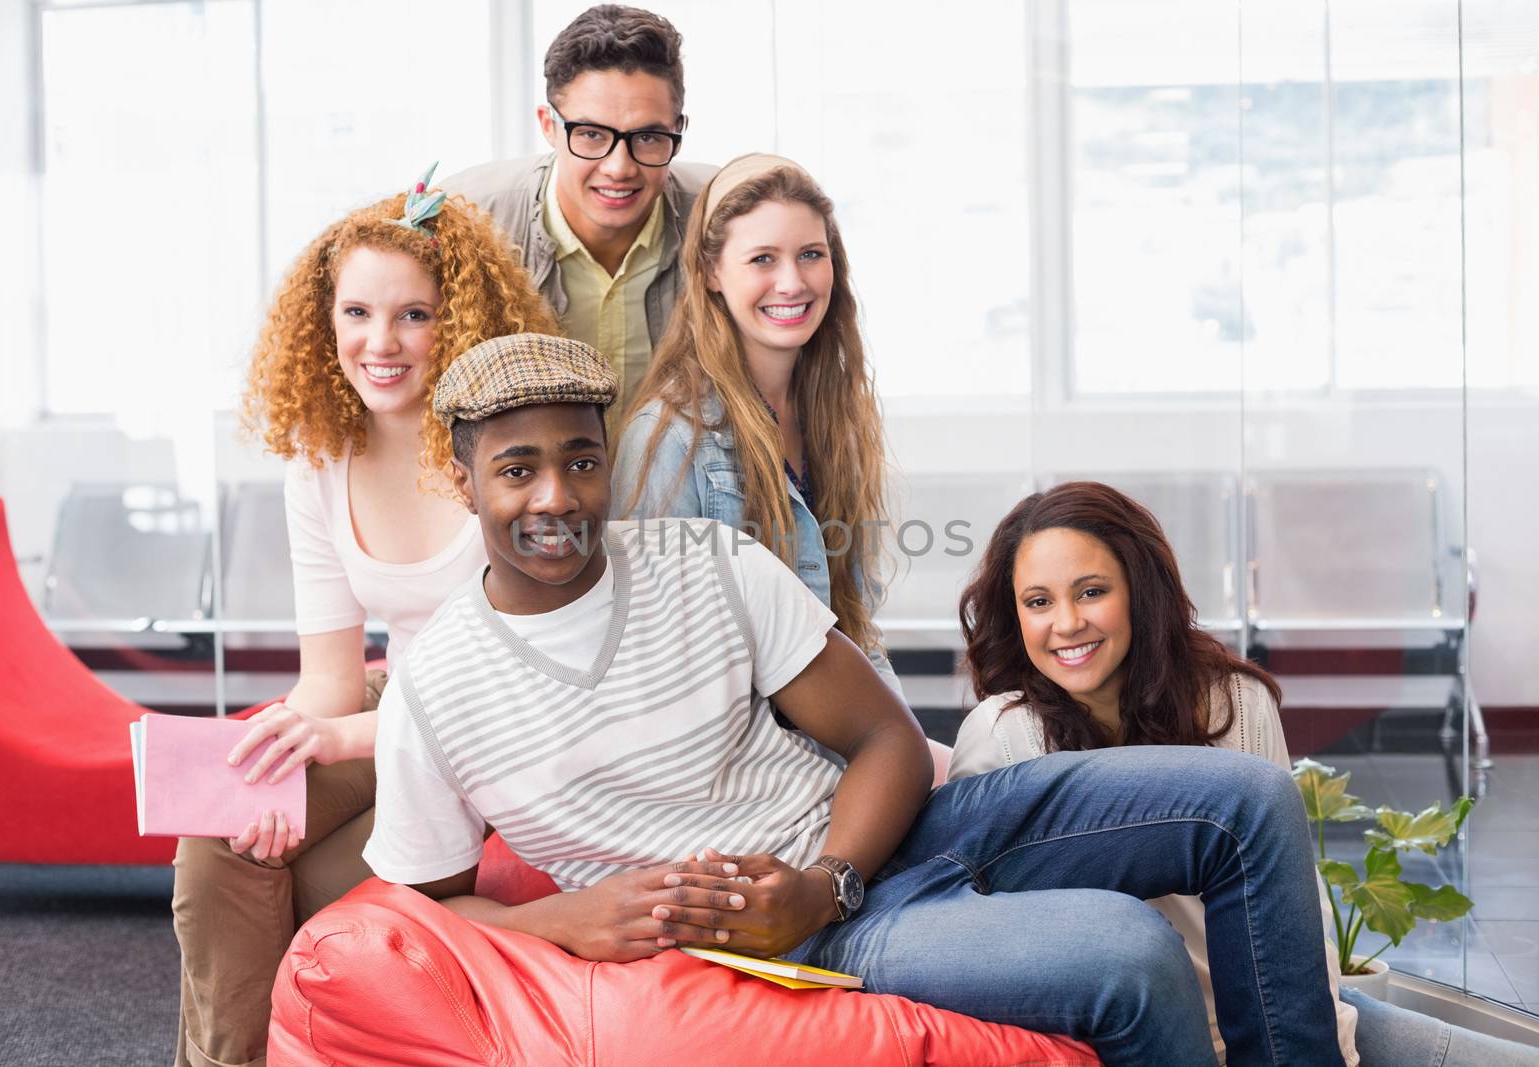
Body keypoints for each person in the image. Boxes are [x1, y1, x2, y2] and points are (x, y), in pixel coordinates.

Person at [361, 331, 1348, 1067]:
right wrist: (563, 919)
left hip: (892, 842)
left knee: (1248, 804)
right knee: (1128, 952)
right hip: (806, 941)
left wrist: (827, 872)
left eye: (579, 459)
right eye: (517, 469)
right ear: (461, 477)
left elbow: (881, 733)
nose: (556, 498)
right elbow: (418, 911)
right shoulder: (436, 689)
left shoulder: (704, 562)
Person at [948, 479, 1539, 1067]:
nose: (1068, 623)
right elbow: (994, 953)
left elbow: (1294, 896)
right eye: (1039, 602)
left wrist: (1325, 1043)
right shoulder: (1002, 737)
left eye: (1092, 591)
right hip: (1140, 1043)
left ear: (1140, 591)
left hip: (1280, 1016)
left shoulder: (1234, 700)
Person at [170, 172, 557, 1067]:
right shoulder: (319, 461)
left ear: (456, 324)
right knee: (221, 843)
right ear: (325, 322)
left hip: (501, 732)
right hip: (390, 709)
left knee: (300, 877)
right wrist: (284, 754)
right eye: (356, 314)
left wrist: (335, 740)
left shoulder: (509, 454)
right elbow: (332, 681)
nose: (380, 343)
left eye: (414, 316)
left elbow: (521, 680)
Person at [612, 154, 898, 687]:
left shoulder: (835, 418)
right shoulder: (669, 436)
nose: (791, 282)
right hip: (746, 753)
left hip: (844, 729)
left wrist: (902, 740)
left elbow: (857, 631)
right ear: (712, 273)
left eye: (810, 254)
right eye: (763, 259)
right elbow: (650, 657)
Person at [441, 4, 716, 415]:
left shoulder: (726, 216)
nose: (619, 168)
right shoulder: (467, 221)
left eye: (648, 137)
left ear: (678, 130)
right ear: (548, 126)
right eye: (590, 134)